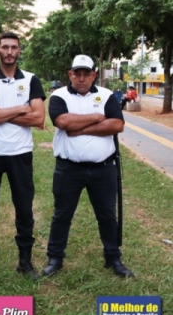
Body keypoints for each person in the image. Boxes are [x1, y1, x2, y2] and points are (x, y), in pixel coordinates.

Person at [42, 55, 134, 279]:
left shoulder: (106, 95)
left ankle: (113, 258)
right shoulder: (59, 96)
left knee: (107, 215)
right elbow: (62, 122)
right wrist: (97, 116)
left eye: (86, 74)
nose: (82, 78)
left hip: (104, 168)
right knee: (62, 214)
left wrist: (80, 129)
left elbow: (117, 124)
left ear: (94, 75)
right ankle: (55, 258)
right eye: (77, 74)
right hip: (68, 169)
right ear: (70, 74)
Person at [0, 32, 46, 280]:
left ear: (19, 51)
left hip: (20, 154)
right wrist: (20, 109)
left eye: (14, 47)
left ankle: (25, 262)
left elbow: (38, 118)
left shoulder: (32, 80)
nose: (10, 51)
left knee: (24, 210)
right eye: (5, 47)